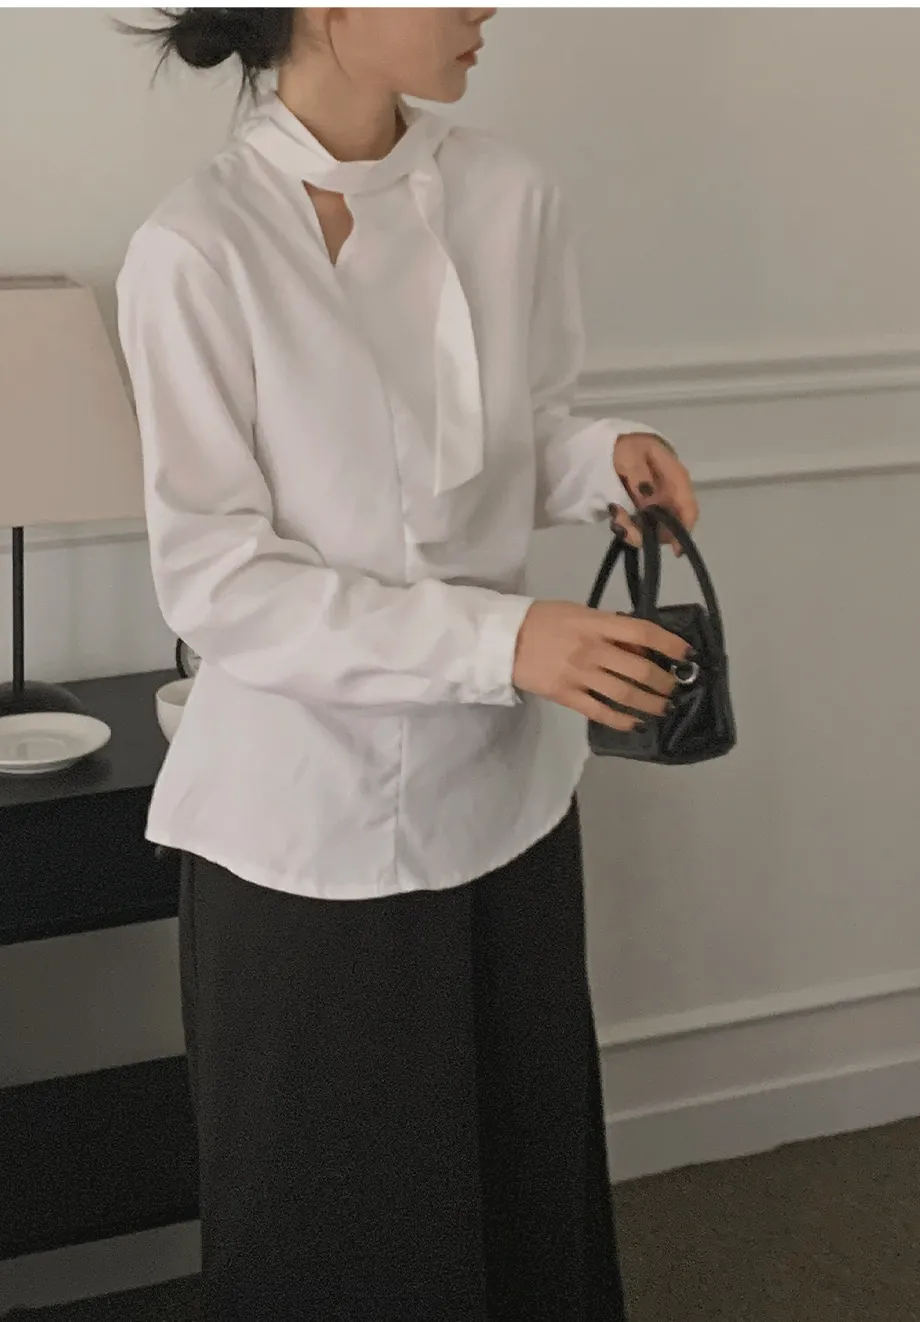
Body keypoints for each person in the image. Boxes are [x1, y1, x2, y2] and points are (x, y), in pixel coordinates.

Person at [117, 9, 699, 1320]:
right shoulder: (196, 249)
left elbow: (510, 433)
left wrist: (600, 456)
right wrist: (505, 637)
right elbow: (222, 581)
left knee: (524, 1193)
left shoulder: (512, 196)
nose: (487, 6)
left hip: (504, 799)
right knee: (333, 1237)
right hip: (304, 836)